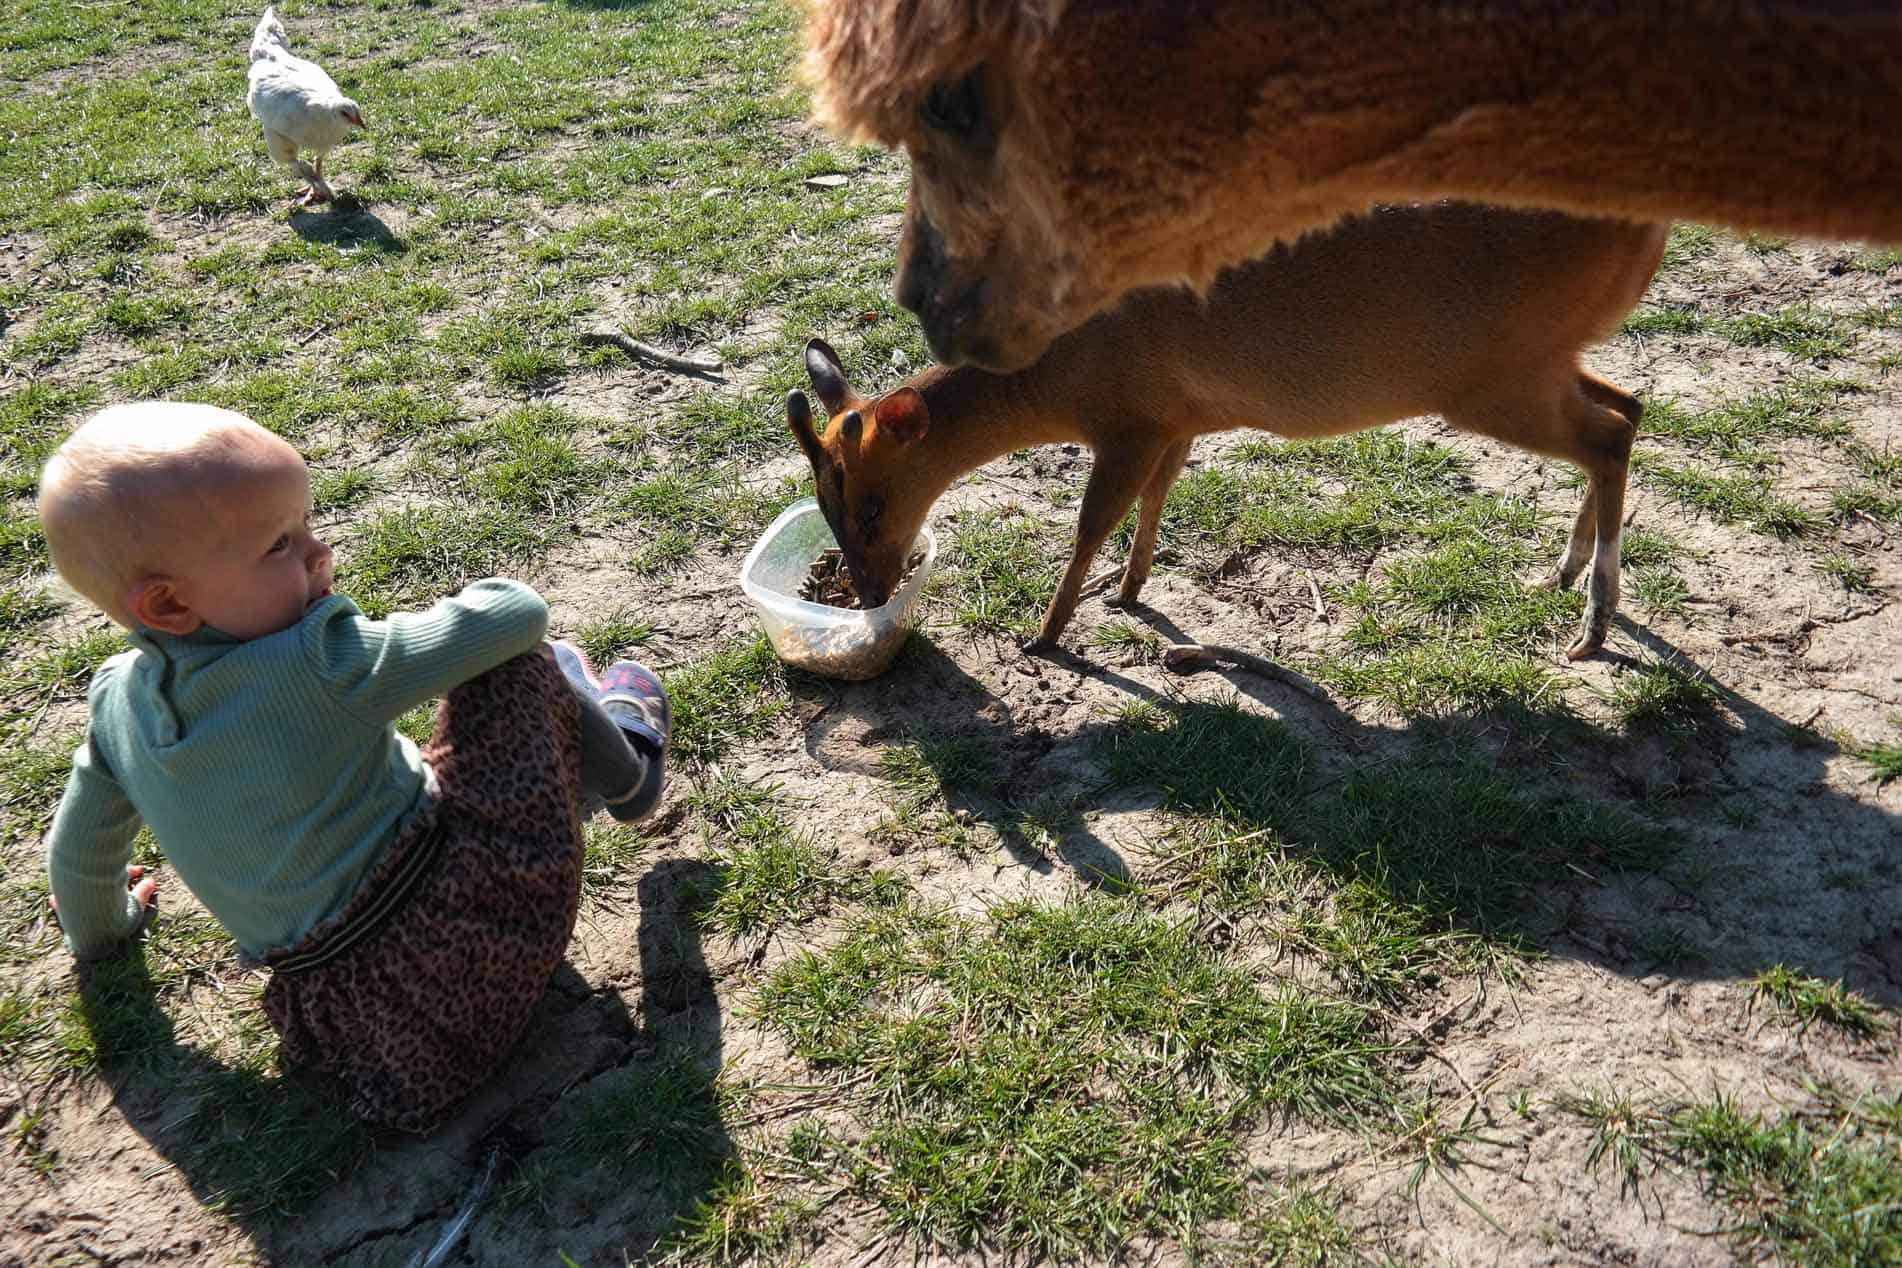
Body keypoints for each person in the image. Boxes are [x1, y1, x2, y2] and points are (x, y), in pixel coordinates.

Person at [37, 400, 670, 1133]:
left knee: (488, 697)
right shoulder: (318, 663)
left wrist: (104, 934)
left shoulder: (116, 705)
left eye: (307, 524)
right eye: (280, 544)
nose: (318, 552)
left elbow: (78, 855)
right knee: (522, 666)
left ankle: (588, 719)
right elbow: (516, 611)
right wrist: (402, 632)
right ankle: (630, 767)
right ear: (170, 602)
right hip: (483, 935)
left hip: (354, 1029)